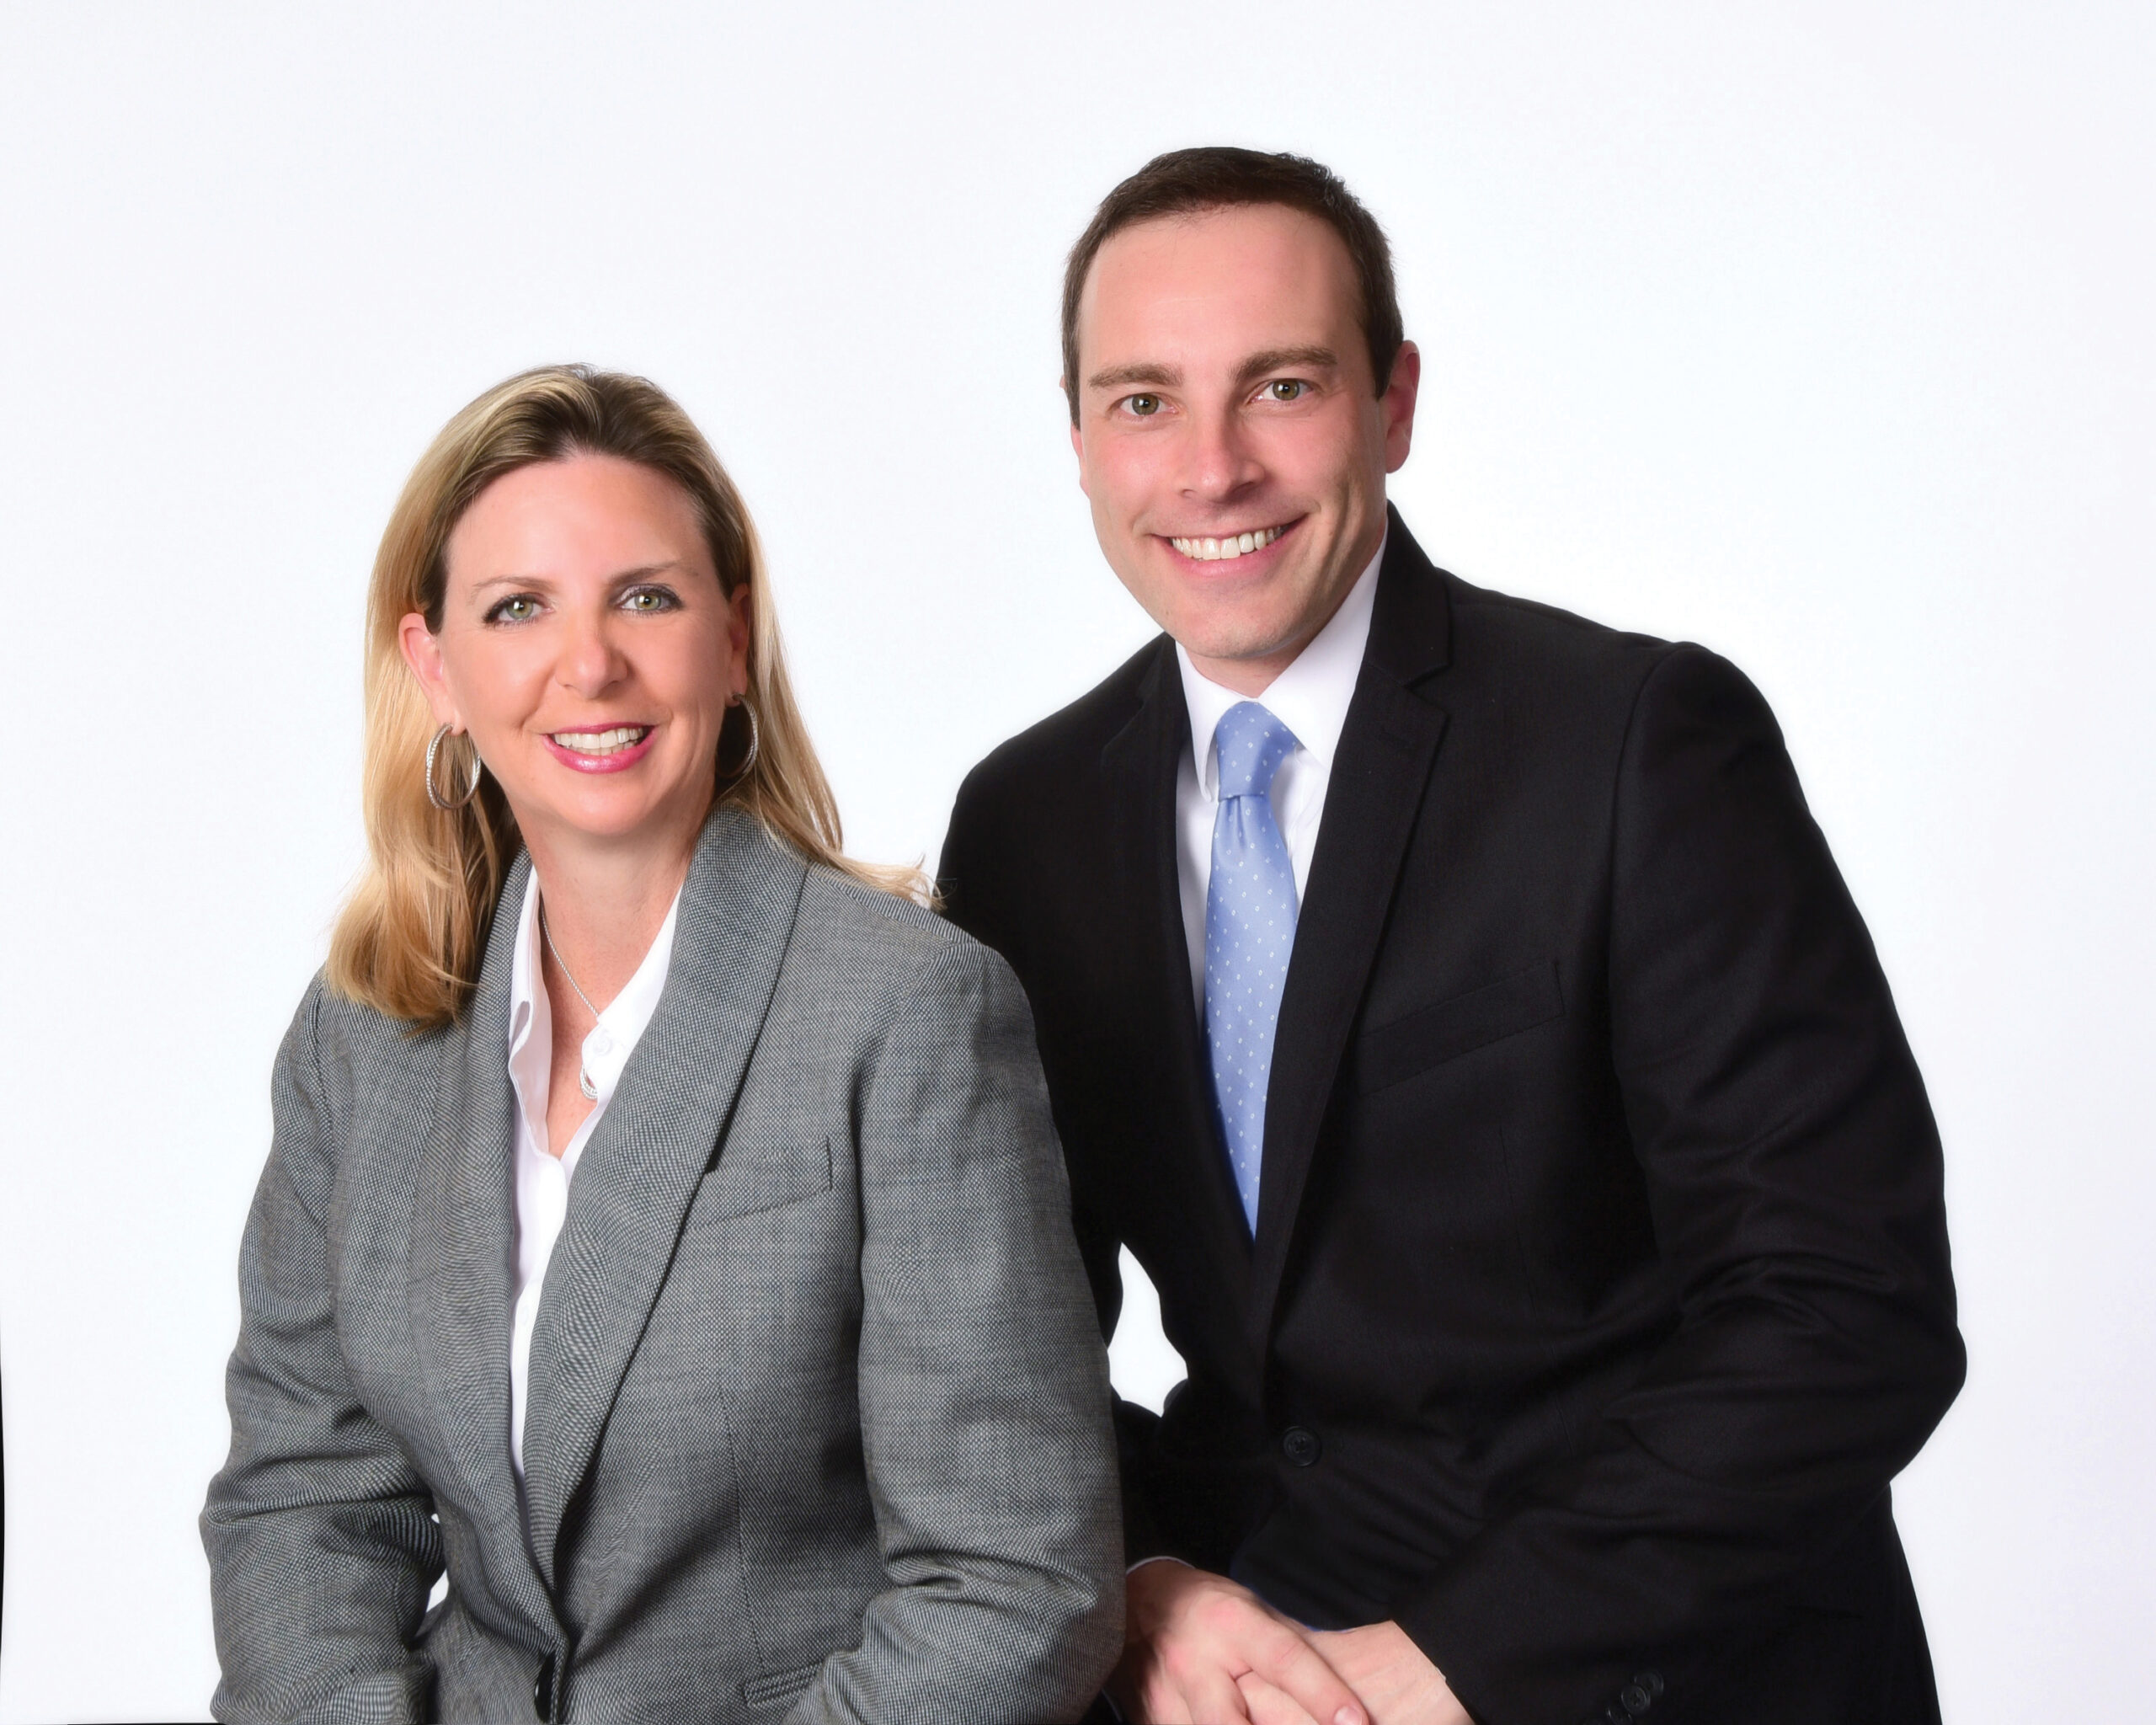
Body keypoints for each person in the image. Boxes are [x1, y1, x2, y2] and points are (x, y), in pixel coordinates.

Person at [938, 149, 1963, 1725]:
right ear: (1078, 439)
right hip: (1258, 1680)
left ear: (1394, 404)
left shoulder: (1635, 743)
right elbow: (1001, 1361)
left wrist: (1454, 1663)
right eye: (1143, 401)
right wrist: (1142, 1579)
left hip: (1667, 1679)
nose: (1212, 469)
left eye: (1281, 387)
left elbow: (1846, 1307)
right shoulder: (1028, 821)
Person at [202, 365, 1122, 1723]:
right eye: (518, 608)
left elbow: (1012, 1586)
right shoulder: (363, 1038)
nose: (590, 665)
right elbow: (304, 1502)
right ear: (436, 669)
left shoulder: (909, 1011)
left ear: (733, 640)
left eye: (646, 598)